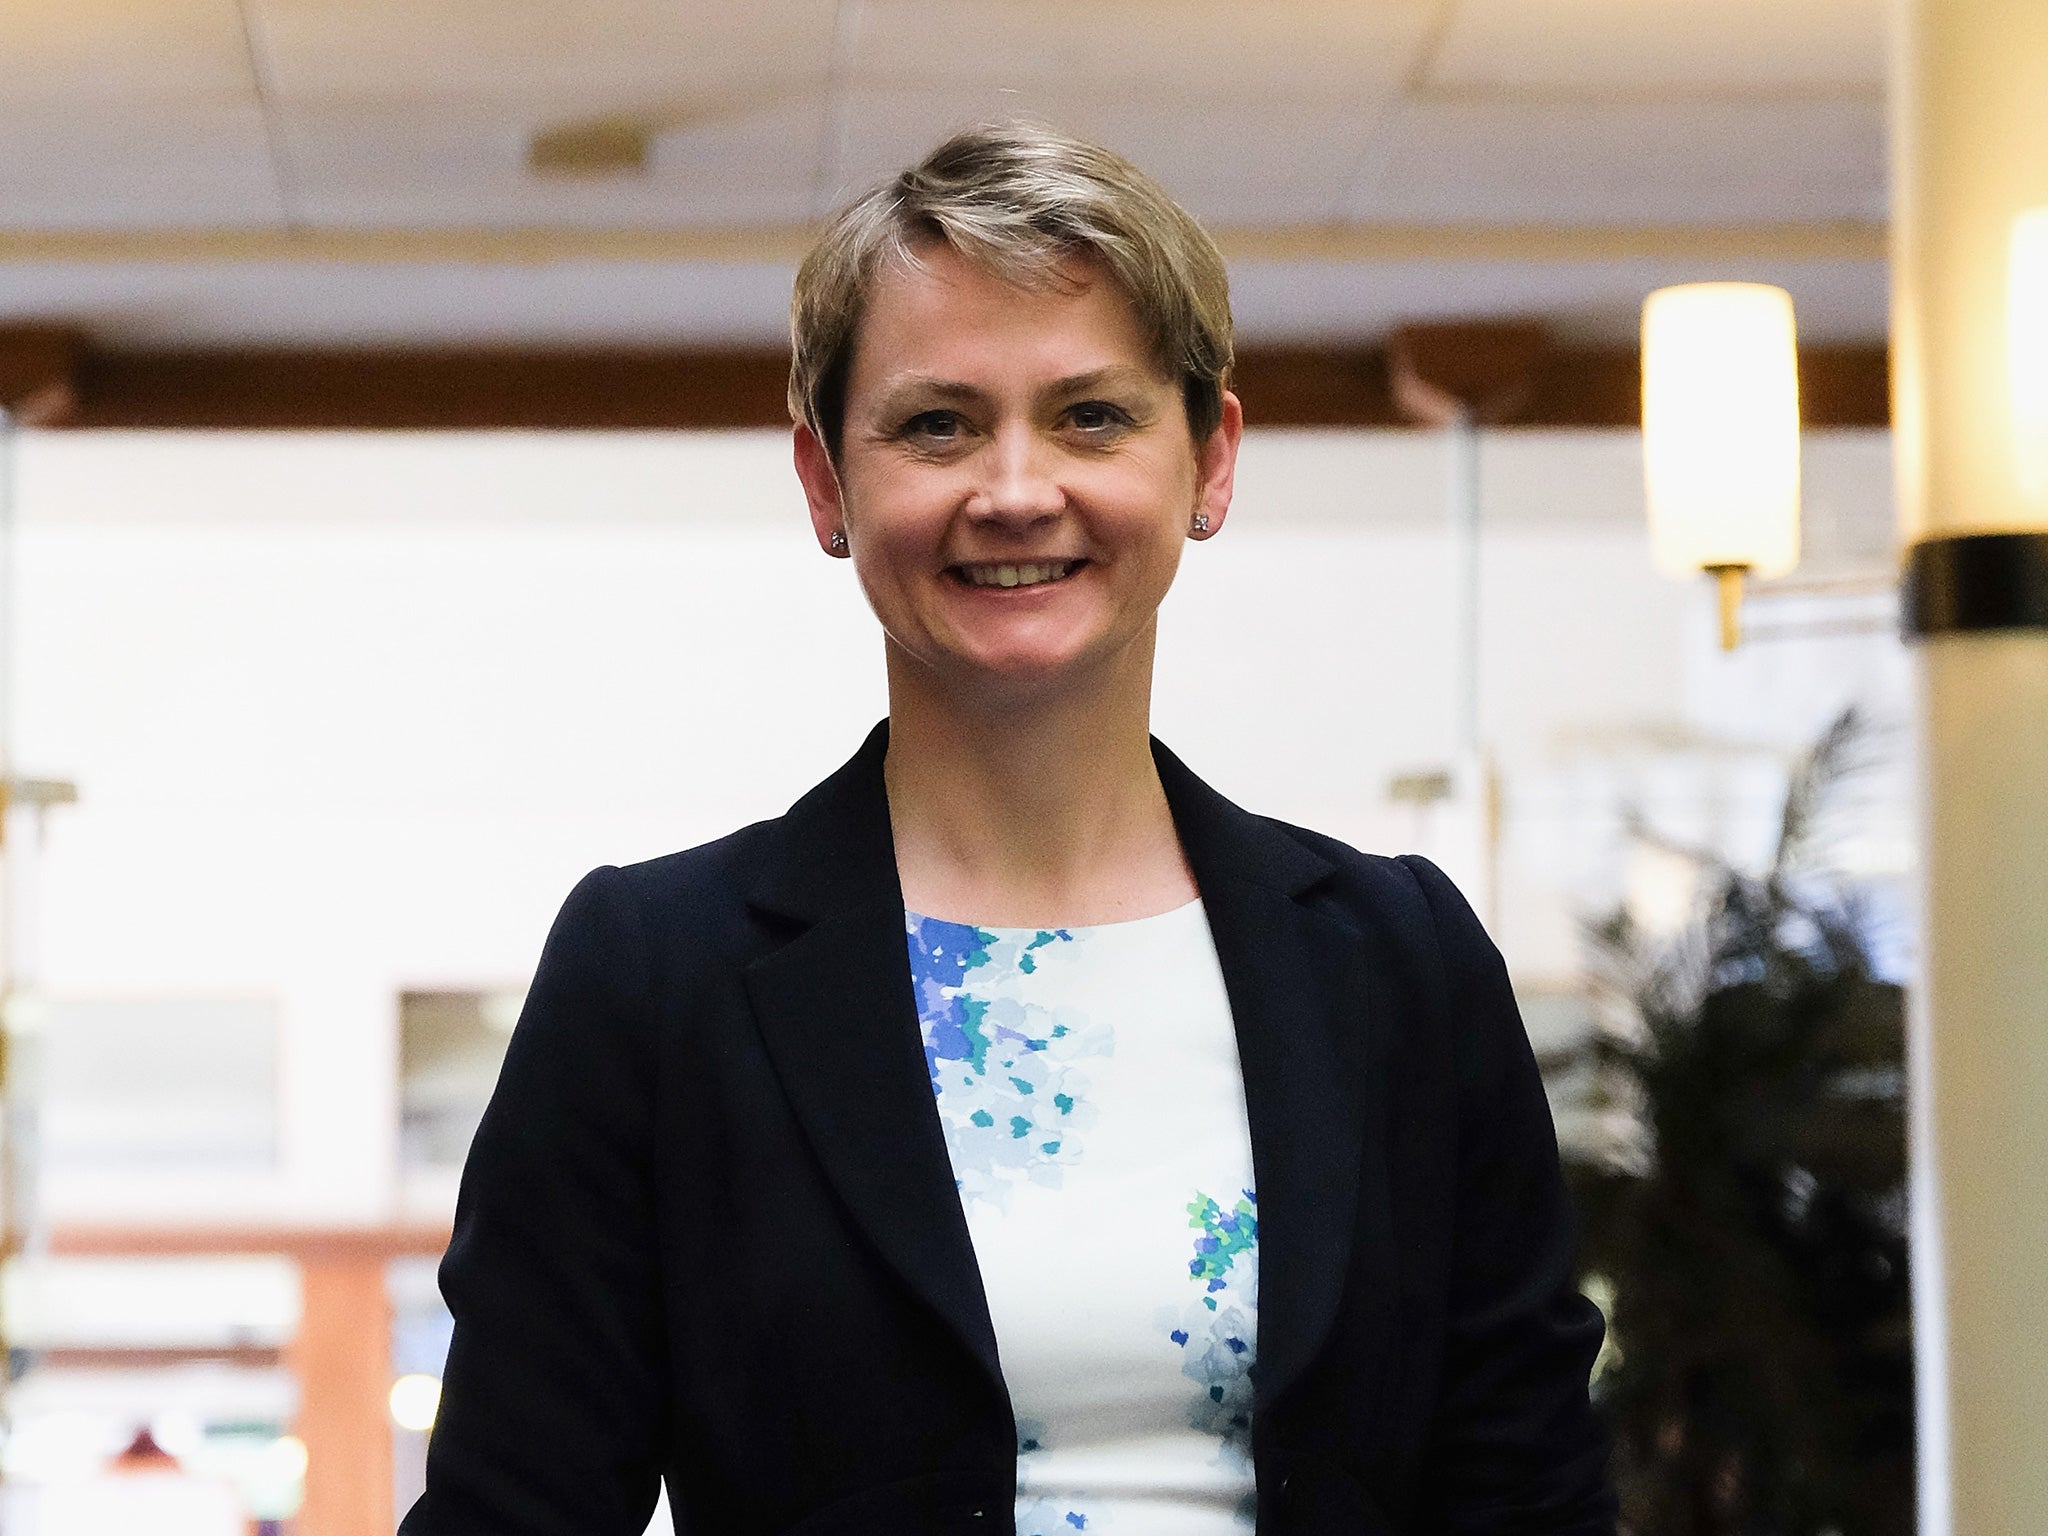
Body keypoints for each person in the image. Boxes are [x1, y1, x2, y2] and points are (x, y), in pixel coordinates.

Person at [401, 124, 1615, 1536]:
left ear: (1210, 460)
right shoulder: (656, 977)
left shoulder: (1396, 960)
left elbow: (1528, 1492)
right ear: (824, 484)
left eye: (1093, 415)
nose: (1018, 488)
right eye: (938, 423)